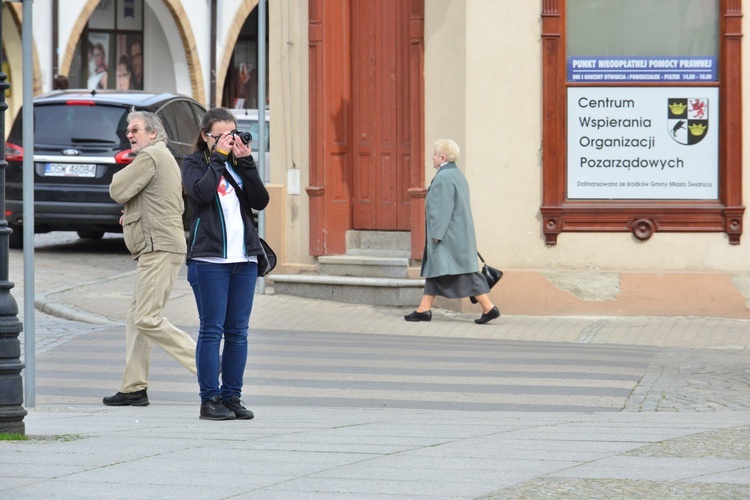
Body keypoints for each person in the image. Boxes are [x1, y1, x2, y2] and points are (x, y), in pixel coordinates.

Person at [104, 111, 197, 407]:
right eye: (128, 131)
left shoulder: (150, 157)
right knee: (137, 318)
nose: (130, 134)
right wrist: (134, 213)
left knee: (147, 317)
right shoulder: (163, 156)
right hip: (159, 246)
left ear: (153, 133)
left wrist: (129, 205)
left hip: (159, 248)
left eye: (136, 130)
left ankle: (210, 369)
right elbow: (158, 200)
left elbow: (117, 189)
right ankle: (133, 387)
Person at [182, 107, 269, 420]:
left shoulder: (237, 163)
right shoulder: (194, 163)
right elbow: (201, 194)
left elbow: (260, 201)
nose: (228, 142)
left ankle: (232, 396)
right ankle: (210, 399)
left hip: (243, 259)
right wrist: (218, 156)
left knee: (238, 332)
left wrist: (246, 162)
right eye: (221, 136)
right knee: (211, 330)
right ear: (206, 137)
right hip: (209, 260)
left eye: (231, 135)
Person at [404, 139, 501, 325]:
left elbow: (442, 209)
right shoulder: (457, 174)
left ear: (442, 157)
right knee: (436, 271)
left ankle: (489, 307)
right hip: (457, 235)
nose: (432, 157)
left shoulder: (443, 177)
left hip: (448, 237)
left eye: (434, 154)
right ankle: (423, 309)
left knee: (465, 274)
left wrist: (437, 235)